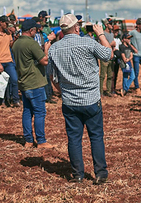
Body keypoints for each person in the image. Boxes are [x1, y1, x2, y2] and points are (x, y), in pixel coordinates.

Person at [48, 14, 112, 184]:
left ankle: (78, 174)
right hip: (90, 98)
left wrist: (64, 92)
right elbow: (107, 54)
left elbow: (53, 78)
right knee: (96, 136)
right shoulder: (88, 42)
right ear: (76, 28)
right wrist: (101, 34)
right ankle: (100, 173)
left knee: (74, 139)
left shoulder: (54, 49)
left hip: (70, 101)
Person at [12, 19, 55, 148]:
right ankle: (41, 141)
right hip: (35, 82)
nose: (36, 32)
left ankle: (29, 140)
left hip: (24, 82)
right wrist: (47, 46)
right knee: (40, 112)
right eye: (35, 30)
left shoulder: (16, 44)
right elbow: (44, 61)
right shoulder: (32, 44)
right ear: (31, 31)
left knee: (27, 111)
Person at [0, 15, 20, 107]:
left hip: (8, 60)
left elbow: (10, 45)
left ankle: (15, 100)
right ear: (1, 23)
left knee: (14, 80)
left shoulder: (8, 34)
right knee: (2, 83)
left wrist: (15, 40)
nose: (7, 25)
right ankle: (3, 101)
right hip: (0, 61)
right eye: (6, 23)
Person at [99, 19, 116, 96]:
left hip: (111, 57)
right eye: (110, 23)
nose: (112, 25)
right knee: (102, 75)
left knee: (110, 75)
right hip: (104, 57)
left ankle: (108, 91)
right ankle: (100, 92)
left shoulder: (111, 34)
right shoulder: (103, 34)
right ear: (106, 25)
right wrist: (110, 44)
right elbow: (101, 45)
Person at [119, 33, 135, 97]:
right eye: (128, 38)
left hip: (129, 63)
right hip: (124, 63)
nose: (129, 40)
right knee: (125, 76)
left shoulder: (129, 46)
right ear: (124, 39)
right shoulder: (121, 46)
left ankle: (125, 89)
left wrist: (129, 59)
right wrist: (126, 60)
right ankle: (125, 90)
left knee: (132, 76)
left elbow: (131, 55)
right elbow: (122, 55)